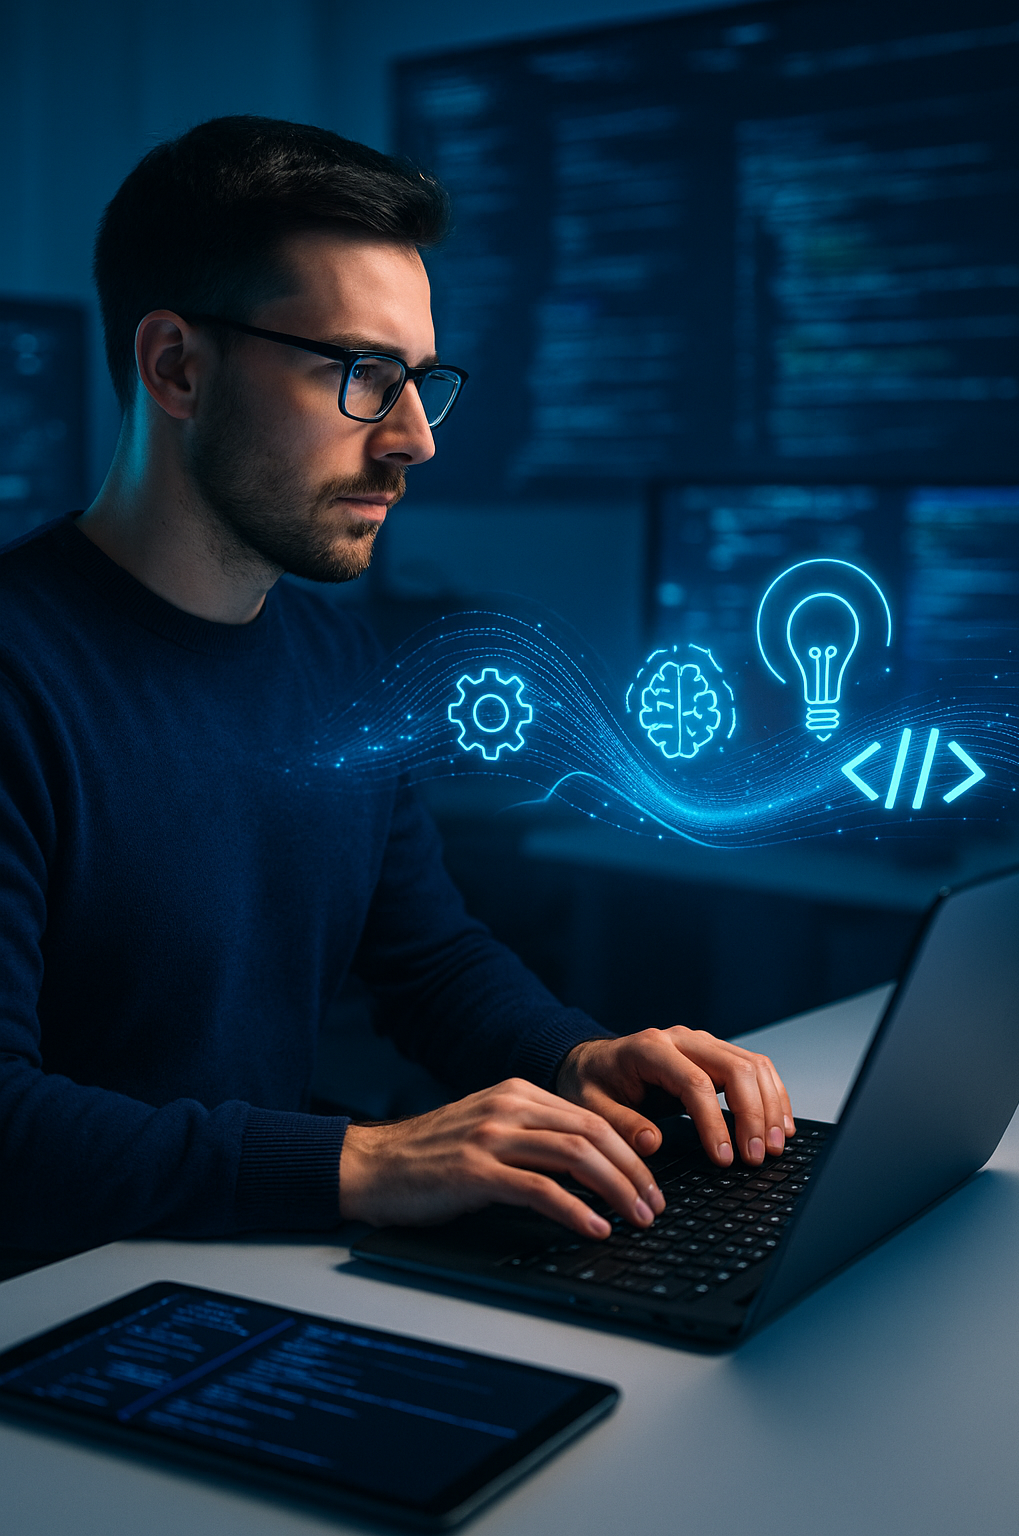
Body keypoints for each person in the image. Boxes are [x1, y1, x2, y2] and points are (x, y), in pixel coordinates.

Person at [0, 116, 793, 1267]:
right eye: (365, 376)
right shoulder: (21, 676)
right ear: (176, 365)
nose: (415, 439)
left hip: (238, 1272)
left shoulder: (336, 662)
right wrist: (361, 1162)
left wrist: (581, 1058)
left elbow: (428, 960)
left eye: (422, 382)